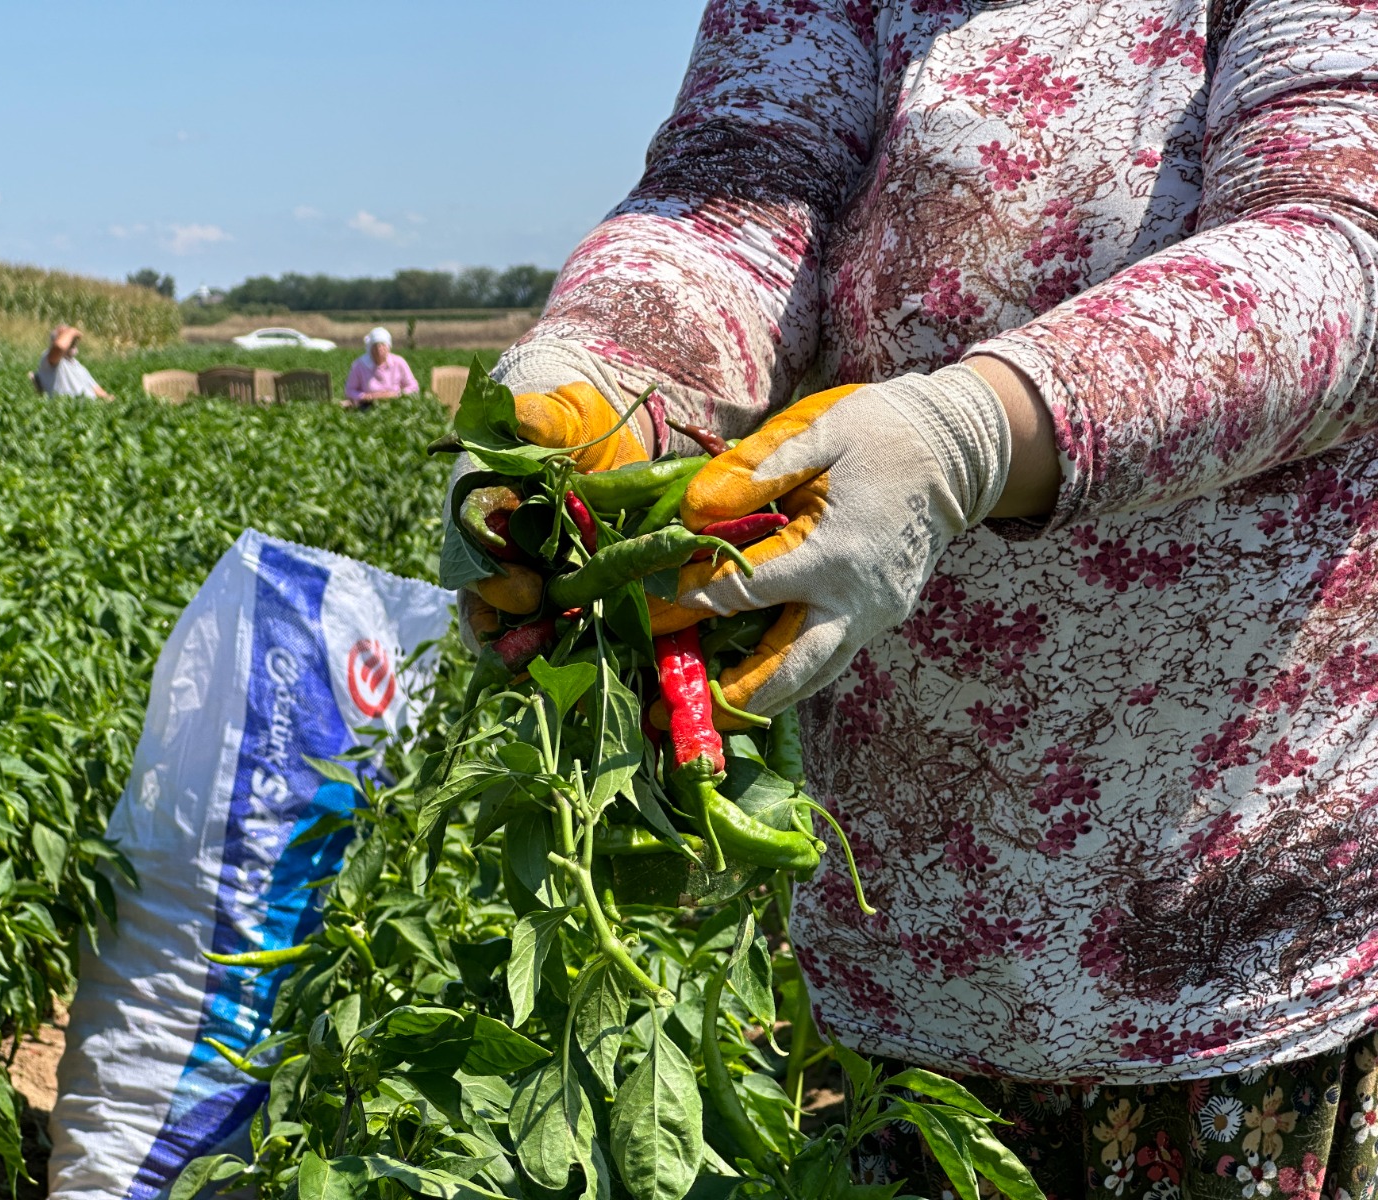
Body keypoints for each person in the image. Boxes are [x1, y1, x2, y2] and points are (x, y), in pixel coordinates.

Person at [470, 1, 1378, 1194]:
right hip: (904, 946)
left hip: (1231, 932)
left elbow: (1336, 243)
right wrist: (601, 370)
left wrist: (973, 434)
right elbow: (738, 196)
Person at [343, 327, 418, 409]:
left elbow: (413, 386)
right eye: (375, 345)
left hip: (396, 404)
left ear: (388, 347)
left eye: (383, 345)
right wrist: (367, 396)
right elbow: (349, 390)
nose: (379, 349)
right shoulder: (359, 365)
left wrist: (395, 394)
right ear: (370, 348)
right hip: (368, 406)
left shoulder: (399, 362)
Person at [34, 325, 113, 400]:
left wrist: (109, 398)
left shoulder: (78, 365)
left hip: (90, 406)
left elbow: (96, 388)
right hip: (70, 407)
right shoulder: (49, 359)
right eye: (69, 338)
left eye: (74, 340)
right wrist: (72, 331)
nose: (72, 341)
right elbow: (59, 347)